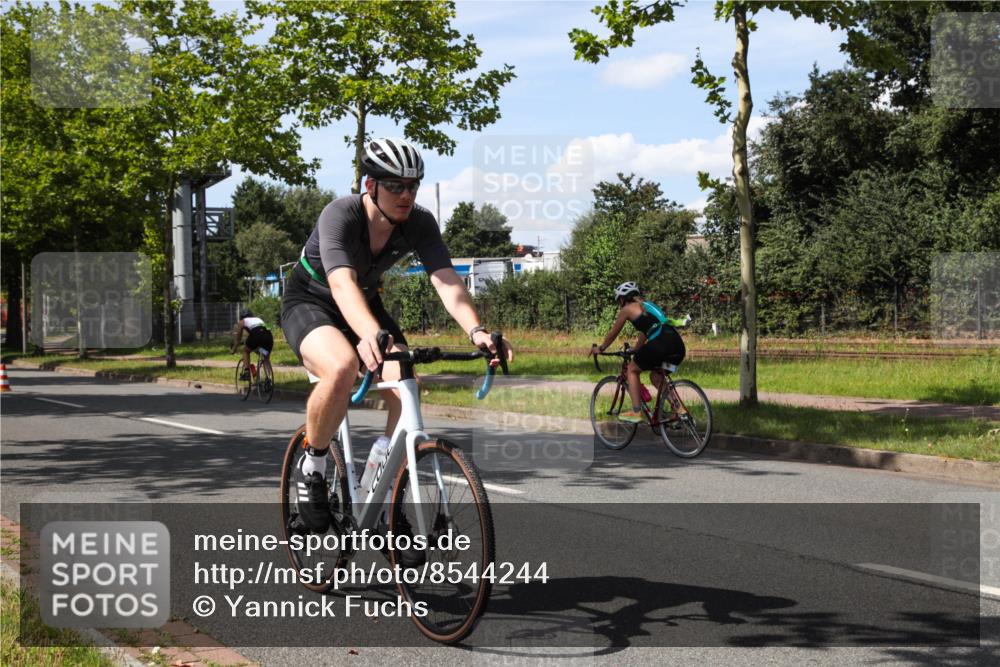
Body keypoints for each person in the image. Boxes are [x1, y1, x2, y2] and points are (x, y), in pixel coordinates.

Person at [281, 136, 513, 533]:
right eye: (395, 186)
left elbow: (446, 281)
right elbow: (341, 283)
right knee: (342, 366)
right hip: (312, 301)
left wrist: (477, 331)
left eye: (413, 186)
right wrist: (370, 334)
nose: (406, 194)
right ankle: (314, 463)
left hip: (366, 304)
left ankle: (384, 486)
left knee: (406, 383)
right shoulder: (340, 215)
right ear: (370, 185)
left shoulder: (418, 222)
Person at [590, 282, 687, 423]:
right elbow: (646, 330)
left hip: (660, 344)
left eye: (619, 302)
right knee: (656, 376)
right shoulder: (647, 306)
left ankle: (636, 412)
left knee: (632, 370)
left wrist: (600, 348)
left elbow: (613, 333)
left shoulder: (627, 309)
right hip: (677, 345)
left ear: (622, 299)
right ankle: (679, 410)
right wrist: (636, 349)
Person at [230, 309, 273, 379]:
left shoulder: (242, 322)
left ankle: (246, 373)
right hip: (268, 336)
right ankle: (268, 380)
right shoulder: (258, 319)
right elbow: (268, 329)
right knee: (266, 358)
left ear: (241, 317)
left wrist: (233, 350)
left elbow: (238, 339)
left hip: (256, 334)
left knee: (245, 351)